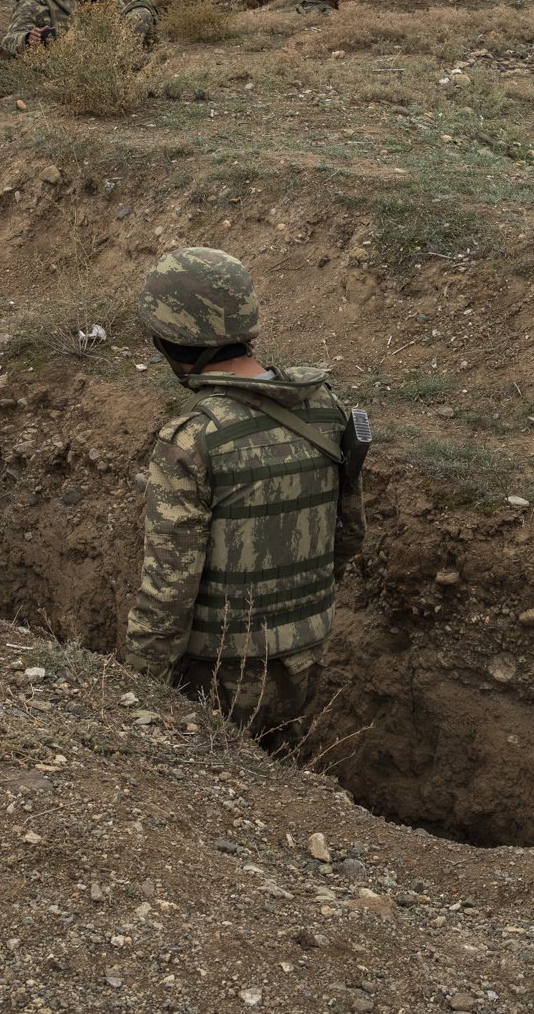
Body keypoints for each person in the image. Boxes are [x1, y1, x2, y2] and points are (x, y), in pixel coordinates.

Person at [120, 248, 366, 749]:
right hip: (307, 651)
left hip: (222, 668)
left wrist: (138, 689)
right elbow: (350, 533)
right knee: (278, 782)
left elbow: (170, 589)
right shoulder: (326, 408)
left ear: (168, 340)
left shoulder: (192, 437)